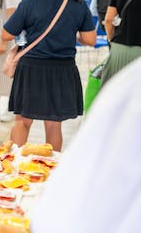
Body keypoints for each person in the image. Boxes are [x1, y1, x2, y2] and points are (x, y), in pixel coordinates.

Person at [31, 56, 141, 233]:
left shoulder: (130, 85)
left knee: (31, 121)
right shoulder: (131, 83)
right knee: (53, 123)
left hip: (36, 67)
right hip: (62, 67)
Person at [1, 0, 96, 151]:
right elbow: (90, 39)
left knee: (22, 122)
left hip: (32, 69)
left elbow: (6, 34)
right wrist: (68, 33)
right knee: (54, 125)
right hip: (62, 70)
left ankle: (15, 167)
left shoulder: (29, 4)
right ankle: (51, 175)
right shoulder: (77, 3)